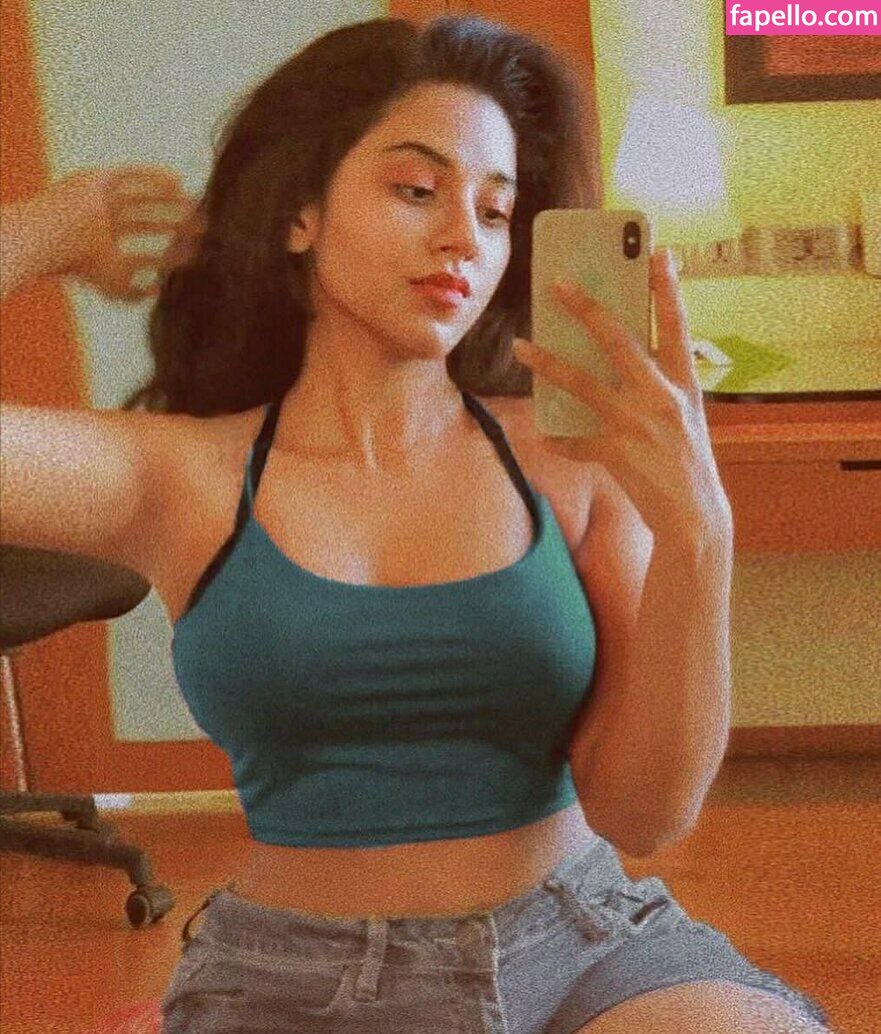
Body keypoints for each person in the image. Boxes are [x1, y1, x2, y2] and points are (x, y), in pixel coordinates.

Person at [0, 13, 833, 1034]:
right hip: (288, 977)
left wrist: (699, 536)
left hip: (582, 946)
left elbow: (644, 813)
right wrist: (42, 229)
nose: (462, 238)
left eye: (495, 210)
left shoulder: (571, 460)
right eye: (415, 189)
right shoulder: (178, 474)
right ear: (301, 211)